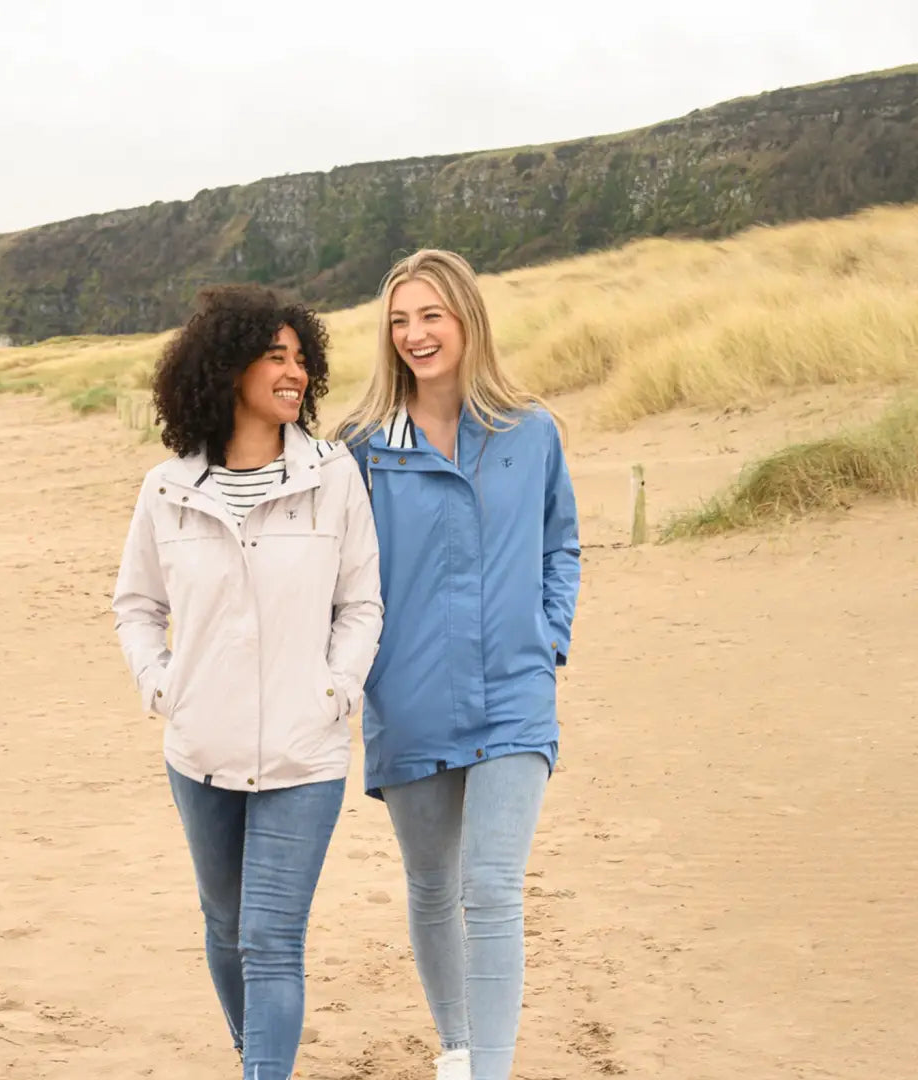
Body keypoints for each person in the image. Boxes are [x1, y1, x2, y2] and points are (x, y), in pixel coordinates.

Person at [112, 285, 383, 1080]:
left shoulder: (332, 476)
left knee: (271, 939)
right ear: (227, 367)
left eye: (302, 358)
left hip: (305, 753)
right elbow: (136, 604)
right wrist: (162, 684)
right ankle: (253, 1053)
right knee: (225, 922)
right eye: (275, 356)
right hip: (199, 748)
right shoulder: (167, 489)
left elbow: (361, 602)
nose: (294, 371)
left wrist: (336, 691)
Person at [335, 249, 581, 1080]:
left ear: (468, 318)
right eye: (400, 321)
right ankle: (458, 1051)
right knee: (434, 887)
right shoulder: (364, 447)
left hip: (514, 692)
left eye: (431, 315)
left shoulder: (530, 430)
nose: (415, 335)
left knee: (493, 888)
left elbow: (560, 543)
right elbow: (338, 574)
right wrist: (359, 669)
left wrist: (549, 638)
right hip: (407, 698)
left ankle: (491, 1073)